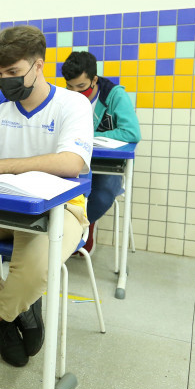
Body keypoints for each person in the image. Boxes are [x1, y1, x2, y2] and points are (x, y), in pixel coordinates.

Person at [0, 25, 93, 368]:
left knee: (36, 269)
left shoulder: (72, 104)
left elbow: (72, 162)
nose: (5, 81)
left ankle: (0, 316)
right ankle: (14, 304)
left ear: (39, 65)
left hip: (60, 209)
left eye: (13, 72)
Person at [62, 51, 141, 252]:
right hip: (76, 161)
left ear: (94, 80)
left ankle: (77, 232)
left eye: (81, 86)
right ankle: (61, 236)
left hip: (108, 165)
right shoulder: (65, 97)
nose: (75, 92)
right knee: (58, 192)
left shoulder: (114, 95)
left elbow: (132, 132)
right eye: (70, 86)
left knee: (102, 196)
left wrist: (87, 135)